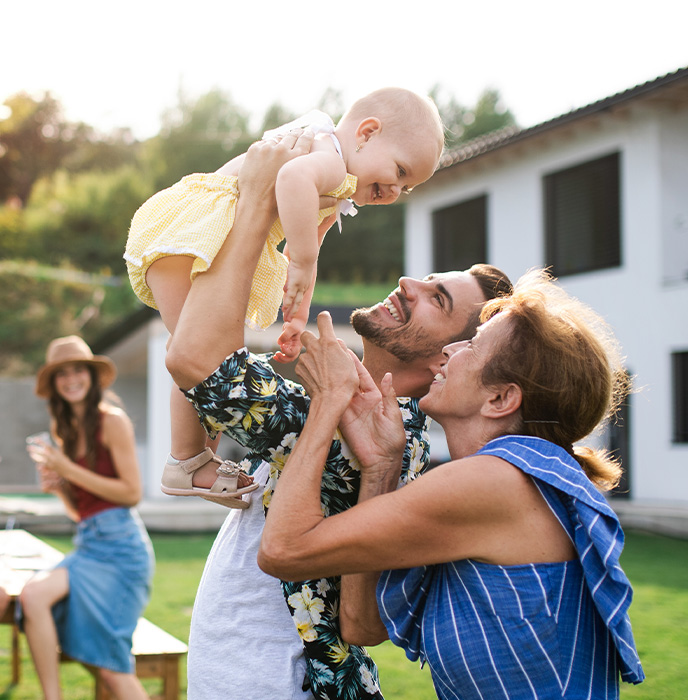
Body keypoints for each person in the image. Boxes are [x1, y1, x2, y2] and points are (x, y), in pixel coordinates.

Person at [164, 130, 512, 699]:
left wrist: (255, 200)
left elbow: (197, 359)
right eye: (427, 279)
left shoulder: (363, 425)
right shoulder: (357, 407)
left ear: (449, 353)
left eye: (437, 299)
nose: (409, 284)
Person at [258, 271, 646, 699]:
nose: (449, 350)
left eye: (473, 346)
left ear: (500, 399)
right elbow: (362, 624)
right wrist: (382, 468)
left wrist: (329, 401)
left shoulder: (494, 482)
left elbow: (283, 551)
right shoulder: (517, 478)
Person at [124, 87, 445, 507]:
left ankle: (190, 460)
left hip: (207, 235)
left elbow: (304, 246)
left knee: (211, 347)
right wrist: (306, 261)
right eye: (399, 171)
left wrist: (297, 313)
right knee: (205, 350)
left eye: (407, 187)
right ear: (366, 133)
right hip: (198, 232)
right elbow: (292, 186)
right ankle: (186, 460)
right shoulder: (329, 156)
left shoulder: (338, 180)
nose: (395, 190)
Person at [21, 335, 154, 700]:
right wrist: (60, 486)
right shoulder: (64, 433)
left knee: (111, 669)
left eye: (78, 370)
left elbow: (131, 493)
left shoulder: (112, 421)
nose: (71, 379)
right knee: (32, 597)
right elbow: (80, 510)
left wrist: (67, 469)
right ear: (54, 385)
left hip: (121, 550)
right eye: (62, 374)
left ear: (92, 376)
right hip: (90, 544)